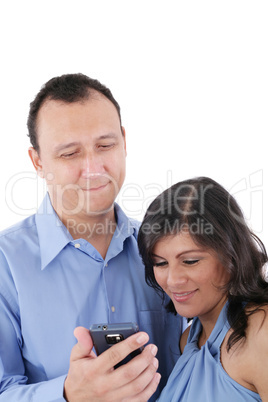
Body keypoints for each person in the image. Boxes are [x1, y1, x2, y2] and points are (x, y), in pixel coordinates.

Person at [0, 73, 185, 401]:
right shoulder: (6, 263)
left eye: (105, 145)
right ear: (38, 161)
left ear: (124, 142)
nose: (94, 167)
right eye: (70, 153)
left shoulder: (168, 246)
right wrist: (68, 394)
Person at [138, 176, 268, 401]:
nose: (173, 280)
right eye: (160, 263)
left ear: (232, 255)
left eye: (190, 261)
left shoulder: (261, 332)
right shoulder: (189, 338)